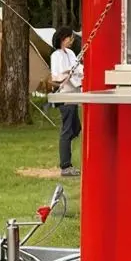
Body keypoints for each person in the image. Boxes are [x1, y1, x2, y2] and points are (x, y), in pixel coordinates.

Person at [51, 27, 83, 177]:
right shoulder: (56, 55)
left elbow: (79, 68)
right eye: (70, 37)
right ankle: (65, 165)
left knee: (75, 128)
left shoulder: (71, 53)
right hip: (65, 95)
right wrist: (67, 72)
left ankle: (67, 157)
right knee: (67, 130)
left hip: (74, 94)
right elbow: (56, 77)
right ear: (63, 38)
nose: (72, 40)